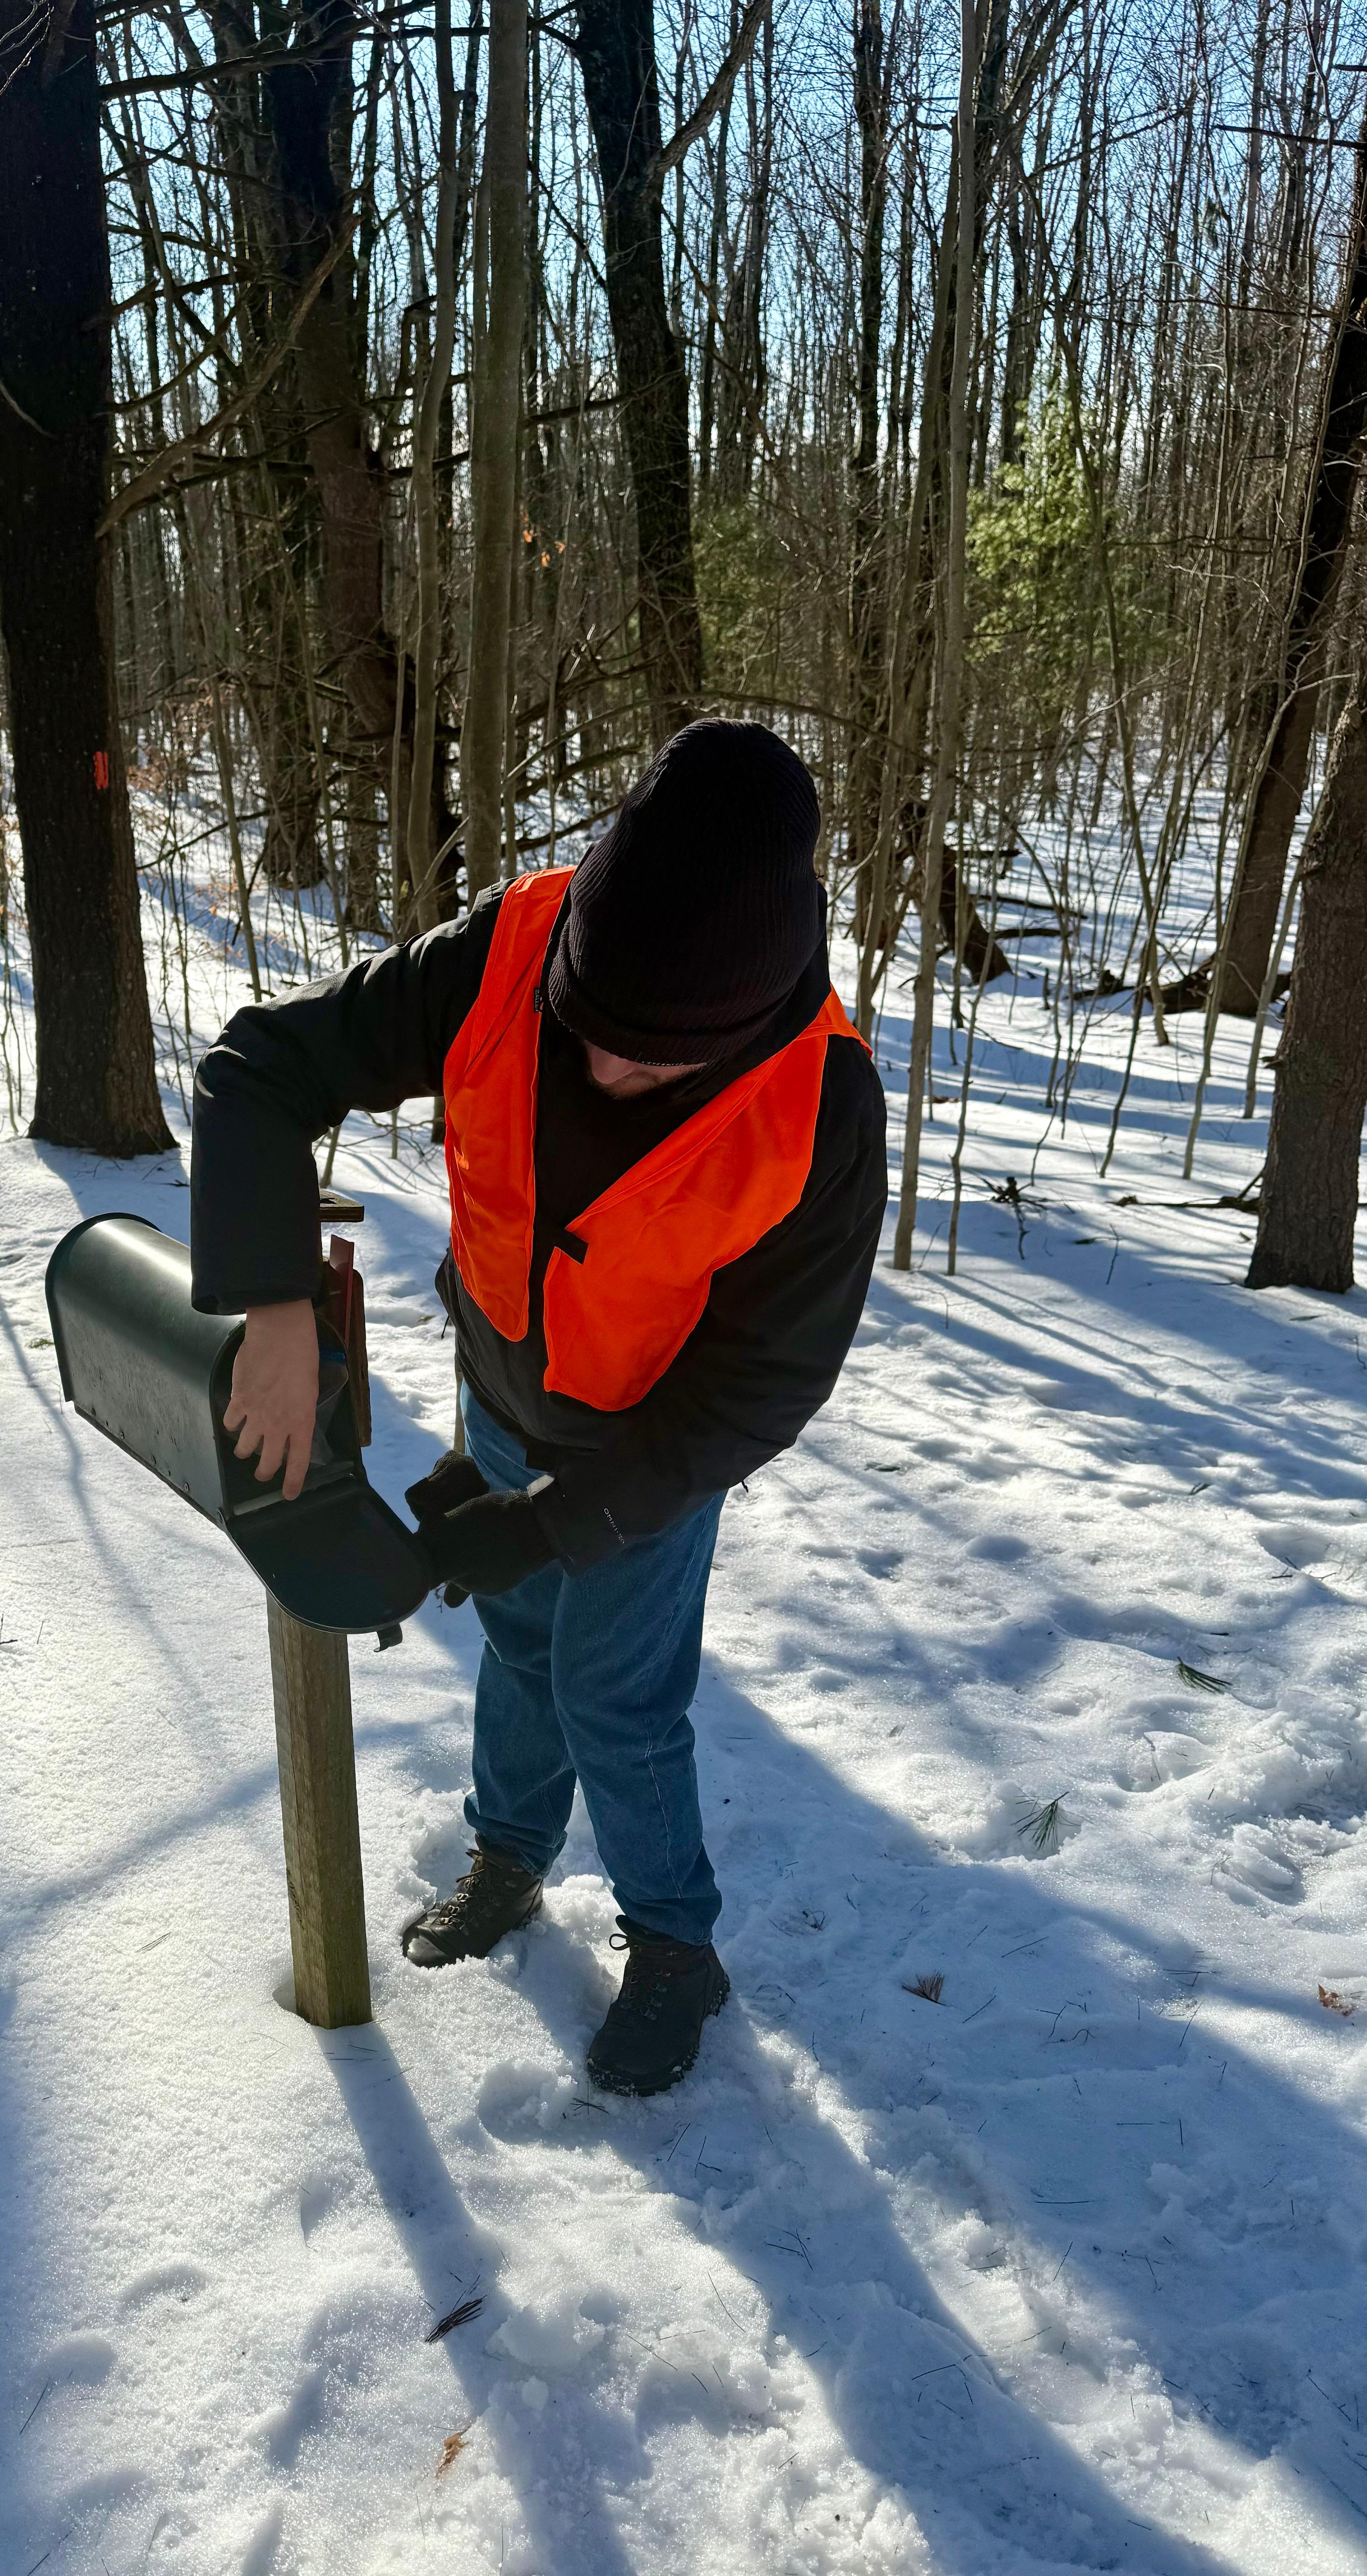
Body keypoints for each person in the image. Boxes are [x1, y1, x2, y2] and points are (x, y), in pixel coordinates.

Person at [191, 721, 887, 2095]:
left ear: (743, 1027)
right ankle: (510, 1856)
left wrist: (567, 1517)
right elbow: (260, 1068)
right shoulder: (511, 948)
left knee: (615, 1700)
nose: (605, 1071)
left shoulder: (823, 1106)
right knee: (514, 1648)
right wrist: (273, 1304)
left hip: (647, 1446)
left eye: (654, 1062)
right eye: (589, 1031)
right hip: (500, 1381)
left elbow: (764, 1386)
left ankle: (676, 1949)